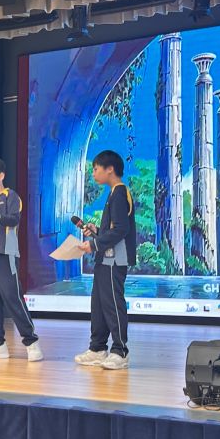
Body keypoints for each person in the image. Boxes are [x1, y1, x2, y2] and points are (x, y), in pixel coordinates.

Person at [0, 156, 42, 361]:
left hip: (5, 252)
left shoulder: (11, 196)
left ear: (1, 175)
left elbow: (14, 219)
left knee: (12, 296)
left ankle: (31, 342)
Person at [74, 149, 136, 370]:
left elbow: (121, 229)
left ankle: (120, 351)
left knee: (112, 304)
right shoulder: (113, 193)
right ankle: (97, 348)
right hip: (105, 258)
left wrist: (93, 244)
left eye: (96, 169)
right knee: (99, 304)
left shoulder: (119, 193)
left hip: (114, 260)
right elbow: (112, 229)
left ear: (110, 169)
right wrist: (96, 232)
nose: (93, 173)